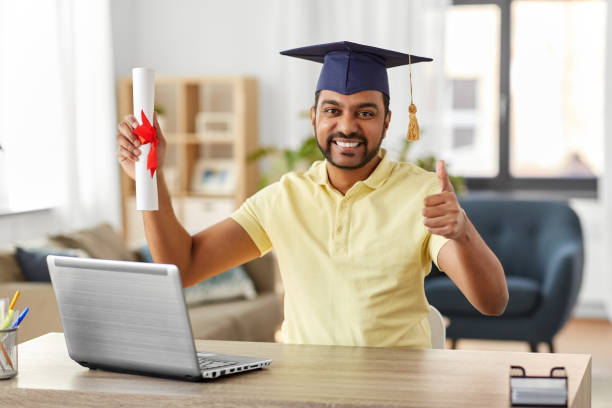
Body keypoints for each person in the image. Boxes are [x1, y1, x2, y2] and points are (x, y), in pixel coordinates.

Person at [116, 41, 508, 349]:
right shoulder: (284, 198)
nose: (347, 126)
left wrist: (462, 233)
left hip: (397, 386)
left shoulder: (422, 194)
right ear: (315, 117)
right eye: (333, 110)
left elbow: (493, 303)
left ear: (387, 121)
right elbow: (183, 266)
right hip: (305, 386)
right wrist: (151, 177)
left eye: (365, 113)